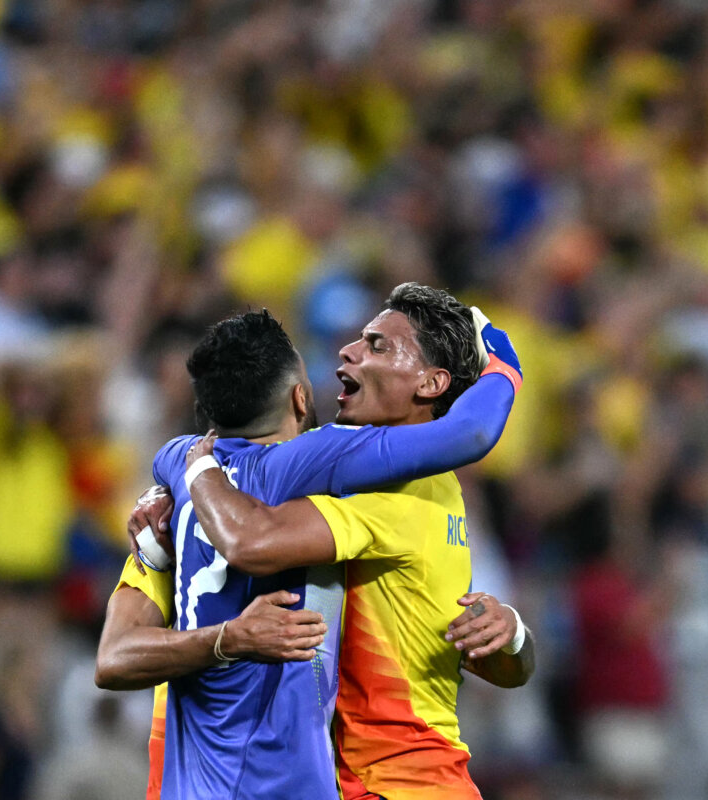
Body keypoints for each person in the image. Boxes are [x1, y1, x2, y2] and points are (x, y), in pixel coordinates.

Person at [96, 283, 529, 798]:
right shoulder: (362, 491)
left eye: (377, 345)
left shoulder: (421, 492)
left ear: (432, 383)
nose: (347, 350)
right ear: (301, 399)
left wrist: (513, 635)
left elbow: (490, 663)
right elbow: (247, 540)